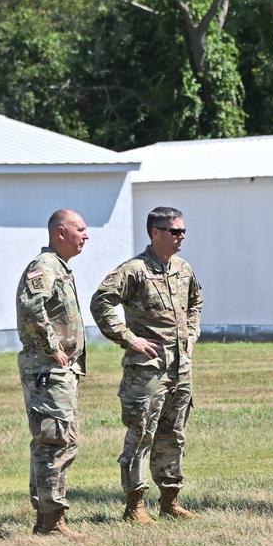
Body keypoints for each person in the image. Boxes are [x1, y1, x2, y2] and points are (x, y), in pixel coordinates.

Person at [90, 206, 203, 524]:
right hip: (147, 371)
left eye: (183, 230)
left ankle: (170, 501)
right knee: (141, 435)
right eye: (175, 231)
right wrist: (129, 339)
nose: (181, 237)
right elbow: (102, 302)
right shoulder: (134, 270)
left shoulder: (183, 269)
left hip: (180, 369)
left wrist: (192, 333)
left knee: (173, 434)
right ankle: (135, 506)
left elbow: (196, 300)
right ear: (156, 233)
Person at [15, 209, 89, 538]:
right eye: (81, 230)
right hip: (48, 369)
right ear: (61, 232)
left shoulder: (58, 267)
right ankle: (51, 521)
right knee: (55, 442)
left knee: (56, 439)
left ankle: (46, 517)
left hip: (58, 369)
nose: (86, 236)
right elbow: (32, 307)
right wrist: (52, 348)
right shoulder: (43, 267)